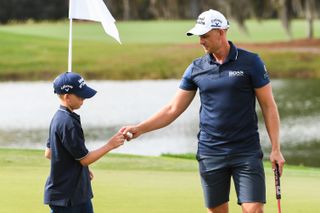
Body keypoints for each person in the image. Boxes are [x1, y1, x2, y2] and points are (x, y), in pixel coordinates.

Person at [122, 9, 285, 213]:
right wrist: (140, 128)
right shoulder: (196, 68)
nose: (201, 41)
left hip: (246, 151)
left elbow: (269, 106)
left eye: (205, 35)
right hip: (211, 152)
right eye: (199, 36)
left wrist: (276, 148)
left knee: (254, 211)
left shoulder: (251, 62)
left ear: (221, 32)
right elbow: (172, 109)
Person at [44, 72, 126, 213]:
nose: (84, 99)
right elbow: (84, 159)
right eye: (80, 96)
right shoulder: (68, 122)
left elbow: (50, 153)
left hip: (70, 192)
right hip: (69, 197)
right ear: (67, 97)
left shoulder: (58, 117)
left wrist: (80, 170)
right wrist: (110, 145)